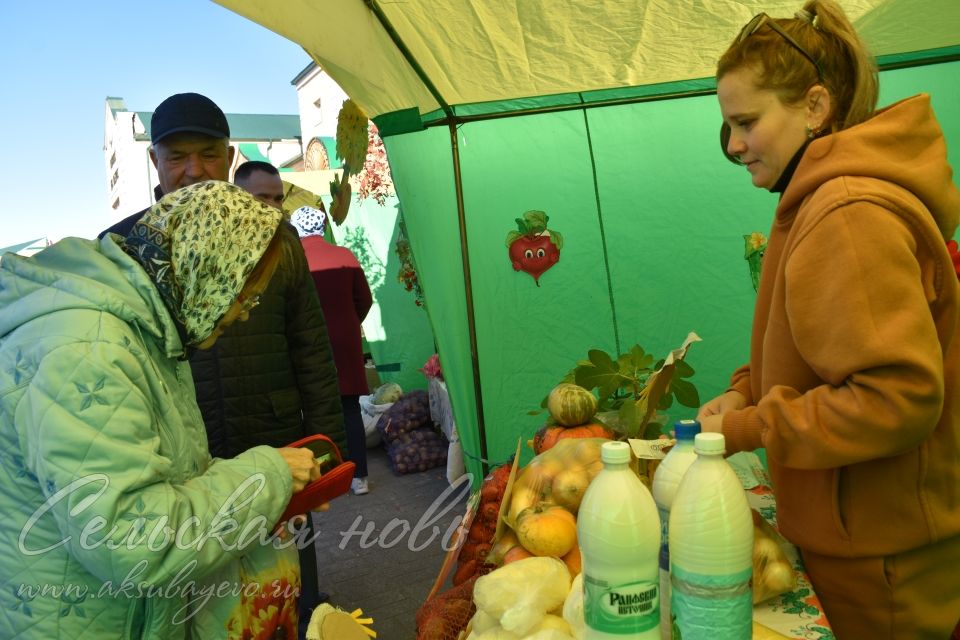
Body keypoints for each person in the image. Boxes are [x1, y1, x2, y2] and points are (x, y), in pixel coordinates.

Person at [698, 2, 960, 638]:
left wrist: (754, 425)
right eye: (725, 127)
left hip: (881, 552)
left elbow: (896, 398)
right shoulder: (819, 196)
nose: (734, 144)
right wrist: (745, 389)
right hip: (861, 535)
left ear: (814, 107)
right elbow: (812, 352)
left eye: (746, 122)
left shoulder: (846, 213)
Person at [0, 181, 322, 638]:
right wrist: (264, 480)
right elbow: (128, 538)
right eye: (244, 296)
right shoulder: (88, 349)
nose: (245, 314)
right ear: (208, 270)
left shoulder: (146, 330)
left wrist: (276, 493)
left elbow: (165, 478)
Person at [99, 92, 347, 637]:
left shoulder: (275, 236)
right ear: (155, 163)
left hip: (275, 433)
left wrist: (327, 448)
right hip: (186, 456)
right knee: (202, 602)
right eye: (177, 156)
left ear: (230, 155)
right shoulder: (123, 245)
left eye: (208, 154)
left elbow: (310, 344)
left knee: (287, 594)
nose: (194, 171)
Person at [291, 207, 373, 496]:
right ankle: (359, 476)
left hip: (308, 344)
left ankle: (323, 477)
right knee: (349, 408)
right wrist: (350, 323)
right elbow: (365, 299)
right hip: (346, 342)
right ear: (323, 226)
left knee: (312, 409)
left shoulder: (294, 259)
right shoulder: (345, 256)